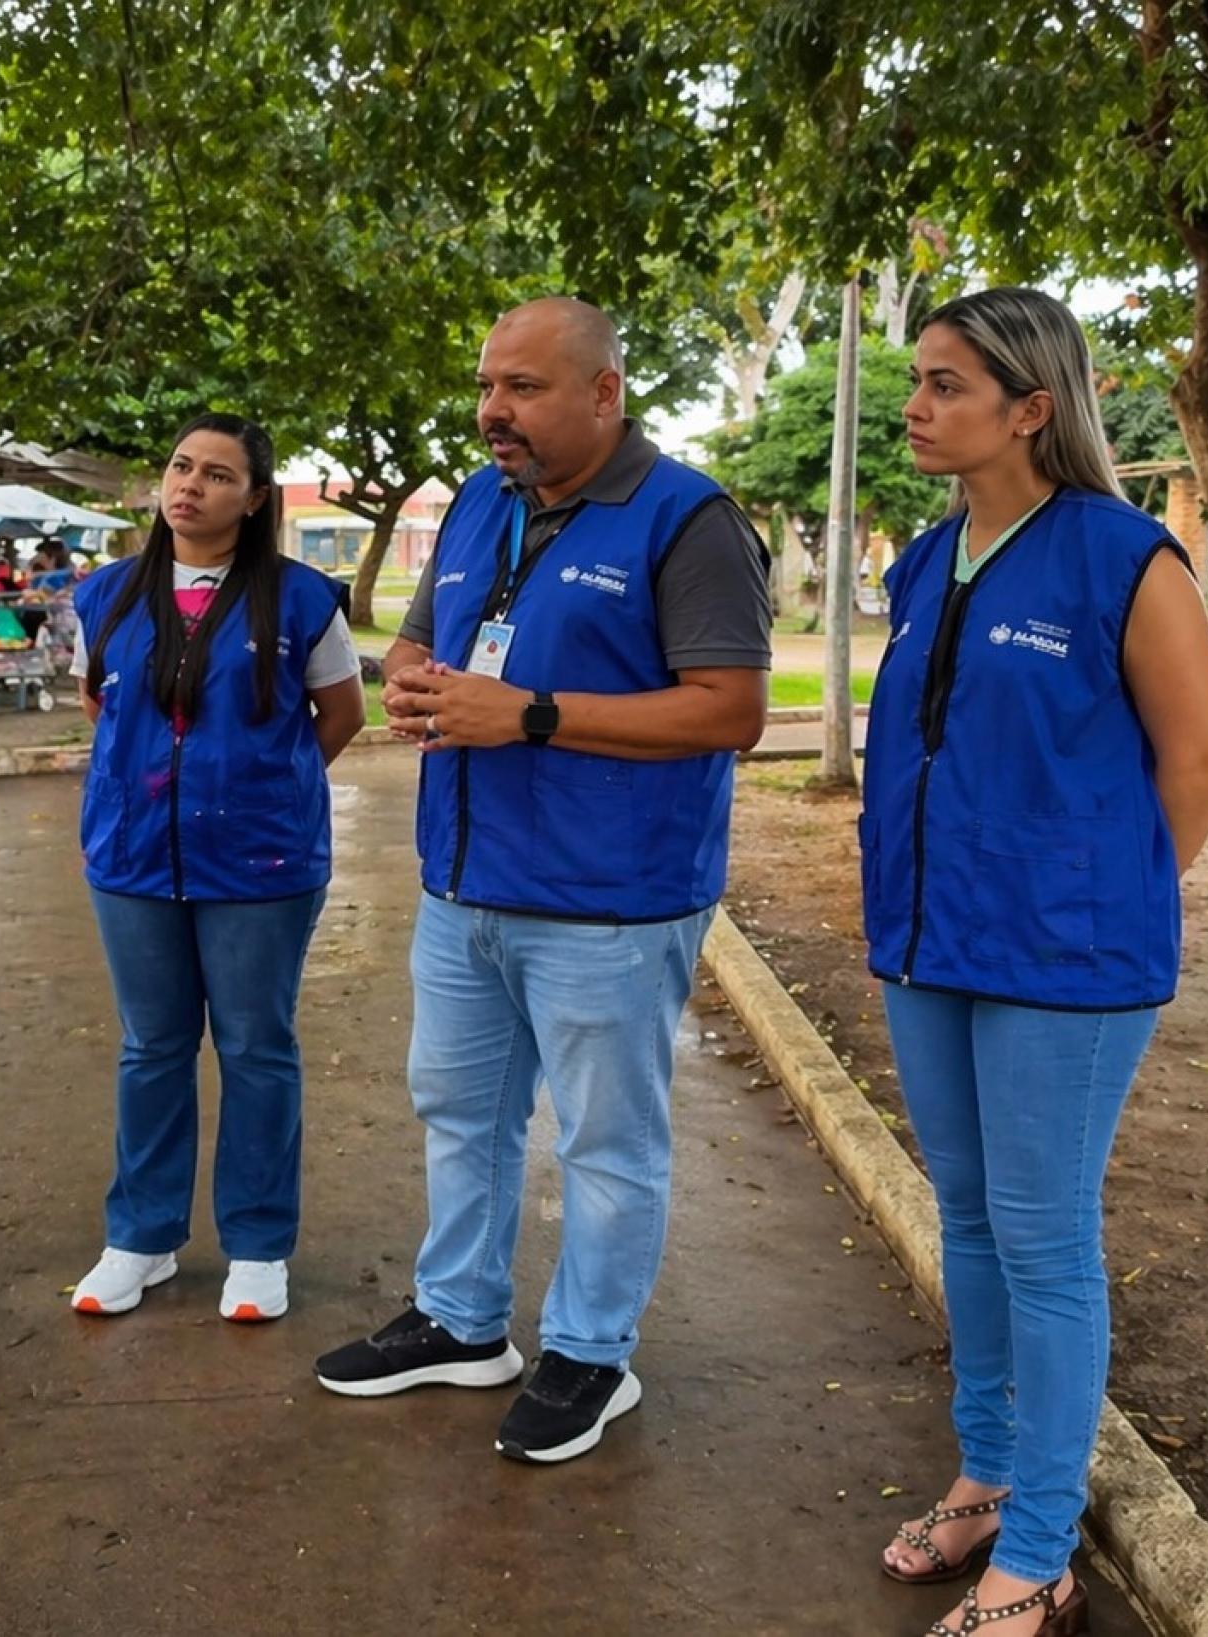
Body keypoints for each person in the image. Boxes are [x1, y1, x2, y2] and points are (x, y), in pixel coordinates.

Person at [313, 299, 770, 1463]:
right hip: (465, 883)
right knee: (459, 1112)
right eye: (486, 385)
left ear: (605, 391)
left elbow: (731, 710)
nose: (491, 410)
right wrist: (412, 680)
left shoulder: (688, 518)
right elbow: (419, 640)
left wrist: (530, 714)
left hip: (608, 902)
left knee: (605, 1140)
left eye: (521, 387)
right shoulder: (481, 499)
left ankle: (590, 1351)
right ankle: (461, 1319)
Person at [865, 287, 1208, 1637]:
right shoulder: (926, 559)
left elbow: (1199, 760)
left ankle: (1039, 1552)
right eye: (917, 379)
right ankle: (987, 1473)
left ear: (1031, 406)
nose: (916, 406)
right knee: (966, 1221)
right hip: (929, 943)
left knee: (1044, 1240)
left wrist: (1104, 899)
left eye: (945, 384)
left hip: (1062, 964)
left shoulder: (1125, 558)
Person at [64, 415, 363, 1323]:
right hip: (133, 860)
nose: (190, 485)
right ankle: (142, 1237)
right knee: (151, 1047)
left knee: (256, 1048)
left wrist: (260, 788)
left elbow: (341, 713)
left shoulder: (302, 600)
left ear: (256, 499)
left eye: (218, 475)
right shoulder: (106, 596)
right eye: (181, 466)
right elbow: (102, 706)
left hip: (261, 866)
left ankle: (259, 1245)